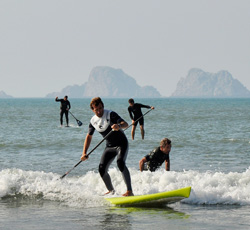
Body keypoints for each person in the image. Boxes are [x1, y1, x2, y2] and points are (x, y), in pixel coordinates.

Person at [81, 97, 133, 197]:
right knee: (101, 169)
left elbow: (125, 124)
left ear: (103, 106)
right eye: (96, 109)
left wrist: (118, 126)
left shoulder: (111, 114)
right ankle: (111, 191)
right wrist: (84, 153)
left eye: (100, 108)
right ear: (93, 110)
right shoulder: (93, 121)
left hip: (121, 144)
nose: (99, 111)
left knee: (120, 163)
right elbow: (89, 136)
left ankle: (129, 191)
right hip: (109, 147)